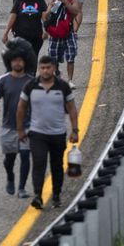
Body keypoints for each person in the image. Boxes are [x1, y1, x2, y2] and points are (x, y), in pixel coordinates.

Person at [17, 54, 79, 210]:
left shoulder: (63, 86)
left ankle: (56, 195)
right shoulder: (30, 86)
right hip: (37, 133)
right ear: (39, 68)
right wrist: (20, 130)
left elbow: (71, 108)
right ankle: (38, 196)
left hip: (58, 134)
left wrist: (75, 130)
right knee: (38, 163)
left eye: (48, 68)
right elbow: (21, 107)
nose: (45, 71)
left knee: (57, 165)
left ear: (54, 68)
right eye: (42, 68)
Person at [0, 51, 33, 199]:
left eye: (20, 60)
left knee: (26, 156)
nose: (17, 63)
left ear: (25, 62)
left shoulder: (31, 81)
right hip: (8, 127)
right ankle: (10, 177)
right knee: (10, 159)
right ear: (10, 62)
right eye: (14, 61)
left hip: (27, 126)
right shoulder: (3, 80)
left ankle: (21, 188)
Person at [47, 0, 85, 81]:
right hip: (55, 33)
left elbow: (76, 11)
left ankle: (70, 80)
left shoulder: (73, 0)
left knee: (70, 57)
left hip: (69, 32)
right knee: (53, 57)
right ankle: (56, 75)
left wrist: (65, 2)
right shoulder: (53, 0)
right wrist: (51, 6)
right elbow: (47, 16)